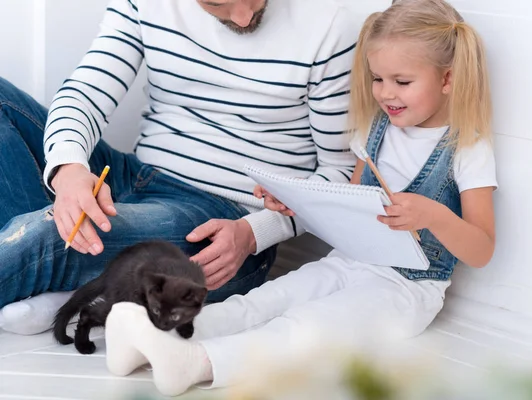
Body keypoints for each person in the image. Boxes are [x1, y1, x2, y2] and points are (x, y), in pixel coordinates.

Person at [103, 0, 499, 395]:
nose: (385, 93)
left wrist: (434, 215)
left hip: (406, 289)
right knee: (266, 300)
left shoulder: (466, 149)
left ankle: (198, 364)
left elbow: (481, 250)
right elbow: (350, 200)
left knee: (308, 325)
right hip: (350, 261)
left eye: (402, 81)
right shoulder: (379, 131)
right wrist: (293, 201)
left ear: (447, 79)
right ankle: (158, 337)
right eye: (378, 79)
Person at [0, 0, 359, 335]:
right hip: (136, 175)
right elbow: (85, 94)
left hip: (220, 219)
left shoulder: (331, 24)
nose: (244, 17)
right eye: (216, 3)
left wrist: (255, 232)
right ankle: (57, 275)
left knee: (48, 234)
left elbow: (340, 176)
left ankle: (46, 266)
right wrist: (68, 171)